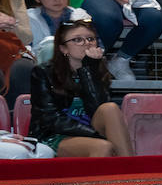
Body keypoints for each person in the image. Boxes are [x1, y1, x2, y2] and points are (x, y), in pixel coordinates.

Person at [29, 19, 133, 157]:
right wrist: (94, 134)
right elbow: (50, 119)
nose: (87, 43)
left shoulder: (97, 70)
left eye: (90, 39)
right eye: (77, 40)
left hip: (91, 130)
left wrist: (89, 69)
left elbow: (98, 108)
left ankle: (130, 172)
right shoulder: (43, 72)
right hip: (56, 134)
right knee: (103, 146)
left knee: (110, 108)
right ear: (63, 49)